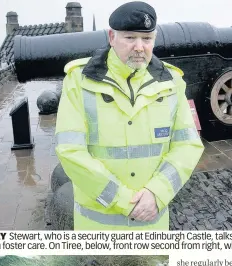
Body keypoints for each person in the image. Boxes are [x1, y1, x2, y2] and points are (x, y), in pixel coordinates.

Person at [55, 1, 203, 230]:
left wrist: (158, 192)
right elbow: (70, 151)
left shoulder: (173, 82)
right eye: (130, 38)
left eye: (147, 39)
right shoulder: (78, 81)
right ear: (112, 37)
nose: (139, 47)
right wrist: (124, 201)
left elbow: (189, 145)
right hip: (97, 225)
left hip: (151, 223)